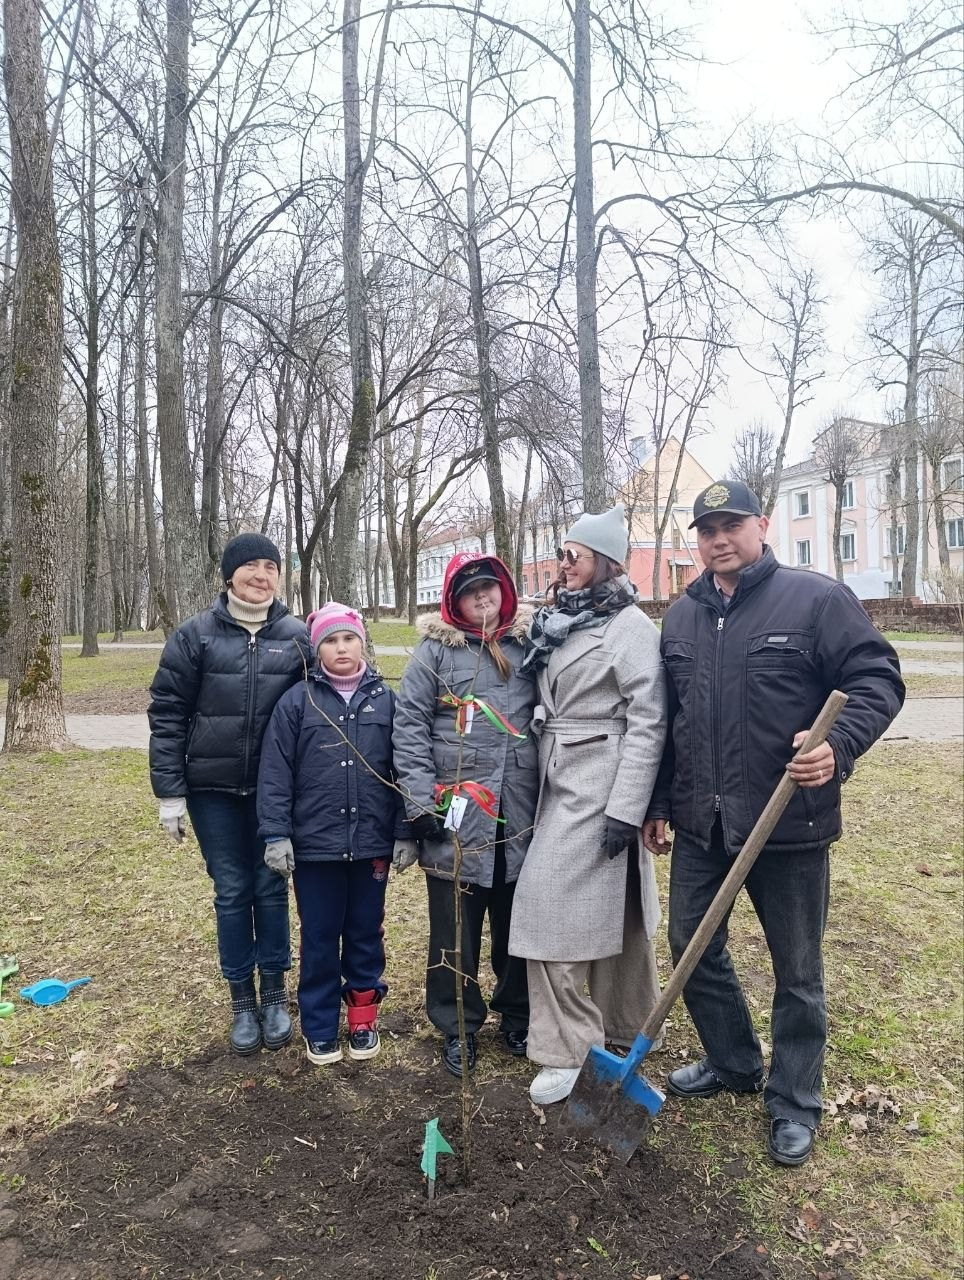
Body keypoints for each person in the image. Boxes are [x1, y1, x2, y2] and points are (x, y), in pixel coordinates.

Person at [642, 480, 905, 1167]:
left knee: (798, 971)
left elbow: (878, 679)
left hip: (788, 824)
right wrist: (662, 803)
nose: (718, 539)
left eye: (730, 524)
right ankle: (732, 1063)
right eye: (705, 530)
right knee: (692, 949)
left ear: (762, 524)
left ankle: (794, 1101)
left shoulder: (816, 600)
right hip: (705, 824)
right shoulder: (681, 618)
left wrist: (837, 745)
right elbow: (676, 723)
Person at [509, 503, 667, 1108]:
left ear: (605, 562)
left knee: (545, 910)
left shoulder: (628, 627)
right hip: (558, 776)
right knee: (605, 911)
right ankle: (616, 1028)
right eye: (561, 555)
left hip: (599, 782)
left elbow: (649, 719)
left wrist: (625, 808)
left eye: (573, 556)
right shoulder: (562, 620)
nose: (562, 565)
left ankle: (566, 1049)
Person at [148, 533, 312, 1055]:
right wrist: (170, 794)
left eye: (271, 566)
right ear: (229, 575)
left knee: (270, 887)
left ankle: (275, 995)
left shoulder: (297, 635)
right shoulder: (194, 636)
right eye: (250, 567)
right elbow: (168, 715)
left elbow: (321, 708)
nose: (261, 575)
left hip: (273, 791)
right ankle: (241, 999)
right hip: (211, 791)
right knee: (232, 891)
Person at [392, 552, 537, 1077]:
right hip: (457, 811)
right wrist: (419, 803)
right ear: (453, 600)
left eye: (490, 589)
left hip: (520, 808)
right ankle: (457, 1024)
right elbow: (408, 726)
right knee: (454, 924)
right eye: (470, 591)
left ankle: (518, 1014)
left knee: (518, 920)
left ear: (504, 592)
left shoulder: (528, 645)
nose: (482, 598)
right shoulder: (435, 653)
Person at [257, 604, 414, 1066]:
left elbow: (405, 769)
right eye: (330, 640)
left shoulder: (386, 700)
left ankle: (363, 1017)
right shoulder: (296, 702)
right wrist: (276, 834)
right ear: (317, 648)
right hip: (315, 848)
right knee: (321, 935)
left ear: (362, 642)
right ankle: (321, 1024)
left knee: (365, 932)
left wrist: (405, 830)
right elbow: (275, 775)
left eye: (348, 639)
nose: (341, 648)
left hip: (371, 848)